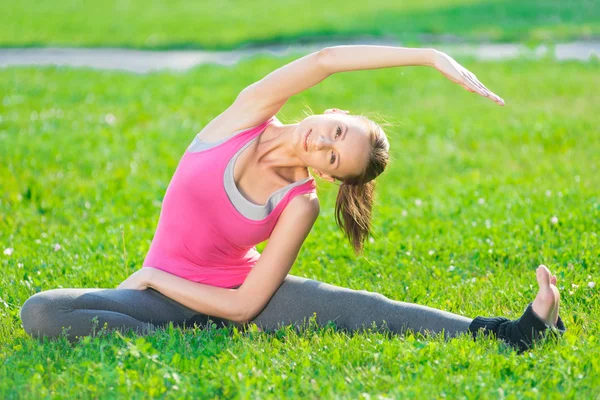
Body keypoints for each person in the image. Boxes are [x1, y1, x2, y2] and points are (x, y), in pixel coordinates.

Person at [19, 45, 565, 353]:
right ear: (332, 111)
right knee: (42, 311)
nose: (322, 144)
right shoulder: (246, 114)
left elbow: (244, 306)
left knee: (360, 310)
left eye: (333, 158)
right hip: (166, 301)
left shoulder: (299, 202)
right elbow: (325, 58)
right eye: (335, 131)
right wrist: (429, 56)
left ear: (328, 176)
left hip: (225, 295)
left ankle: (515, 333)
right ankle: (188, 333)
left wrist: (154, 278)